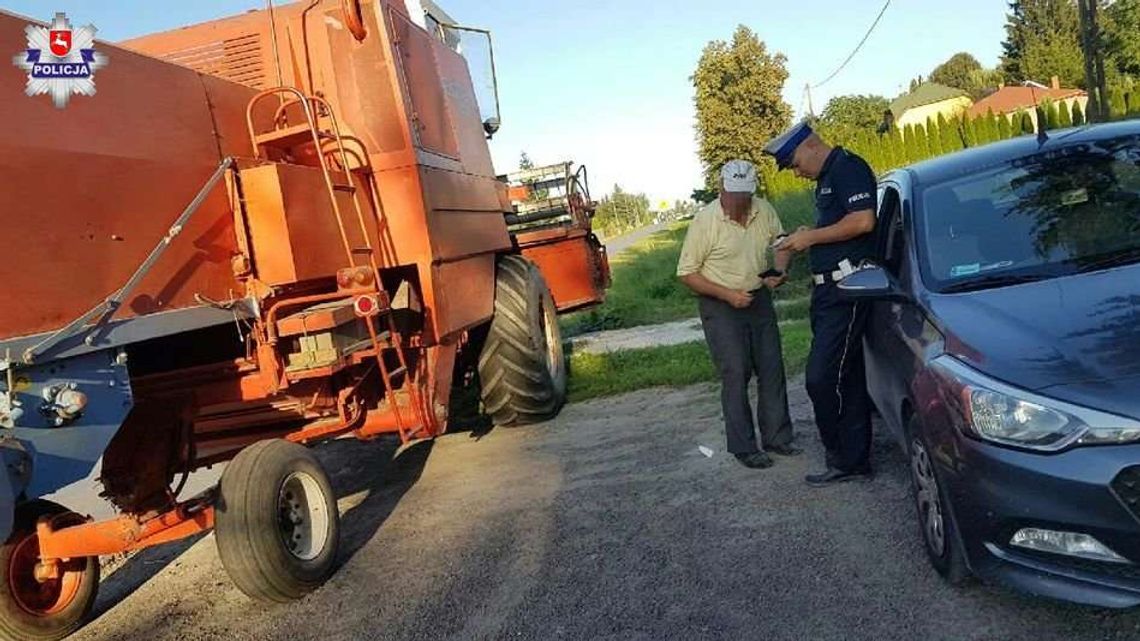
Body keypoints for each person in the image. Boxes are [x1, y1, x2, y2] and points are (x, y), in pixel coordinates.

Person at [763, 122, 877, 487]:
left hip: (848, 289)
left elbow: (862, 221)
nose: (796, 172)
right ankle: (852, 458)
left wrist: (809, 237)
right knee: (846, 375)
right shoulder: (827, 179)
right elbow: (837, 226)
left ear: (811, 146)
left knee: (822, 377)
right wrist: (800, 239)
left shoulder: (849, 168)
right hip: (828, 293)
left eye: (795, 163)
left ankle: (842, 454)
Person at [676, 159, 800, 469]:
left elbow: (782, 243)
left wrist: (779, 271)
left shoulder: (763, 210)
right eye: (733, 194)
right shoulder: (706, 221)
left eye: (745, 194)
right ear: (721, 188)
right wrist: (729, 295)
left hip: (757, 298)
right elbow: (687, 274)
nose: (739, 201)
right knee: (736, 372)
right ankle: (744, 447)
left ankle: (778, 438)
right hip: (719, 302)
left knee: (771, 368)